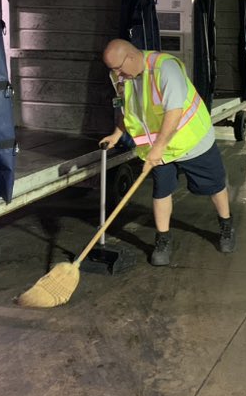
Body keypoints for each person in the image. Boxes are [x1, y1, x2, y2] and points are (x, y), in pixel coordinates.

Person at [100, 39, 236, 266]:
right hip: (158, 149)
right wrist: (117, 134)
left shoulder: (166, 69)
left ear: (131, 57)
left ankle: (226, 226)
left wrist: (159, 147)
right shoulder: (121, 75)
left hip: (191, 142)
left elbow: (174, 112)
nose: (116, 74)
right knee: (161, 190)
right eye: (113, 70)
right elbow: (127, 107)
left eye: (118, 68)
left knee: (214, 185)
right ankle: (163, 239)